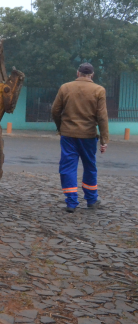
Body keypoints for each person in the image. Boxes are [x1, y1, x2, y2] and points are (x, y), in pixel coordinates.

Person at [51, 62, 109, 213]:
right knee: (90, 166)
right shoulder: (99, 90)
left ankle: (71, 202)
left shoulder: (65, 87)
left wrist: (61, 127)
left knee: (67, 167)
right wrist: (104, 140)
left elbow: (55, 110)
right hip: (88, 136)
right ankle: (91, 199)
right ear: (92, 75)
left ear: (78, 73)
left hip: (68, 135)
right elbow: (102, 117)